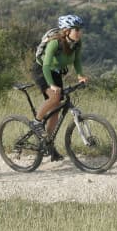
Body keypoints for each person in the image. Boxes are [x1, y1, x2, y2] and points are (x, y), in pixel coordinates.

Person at [32, 14, 88, 161]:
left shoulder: (77, 43)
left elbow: (77, 60)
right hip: (42, 71)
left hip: (56, 72)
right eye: (76, 29)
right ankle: (36, 122)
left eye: (80, 29)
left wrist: (80, 75)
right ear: (67, 31)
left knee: (56, 111)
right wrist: (51, 85)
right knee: (55, 97)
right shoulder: (55, 43)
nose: (79, 32)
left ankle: (48, 145)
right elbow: (46, 66)